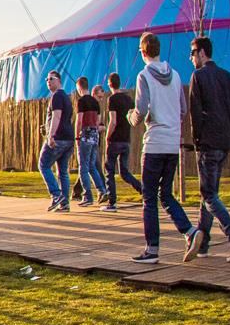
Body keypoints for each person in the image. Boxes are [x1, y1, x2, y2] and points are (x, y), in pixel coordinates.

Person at [129, 34, 196, 264]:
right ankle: (189, 231)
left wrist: (133, 118)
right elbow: (183, 109)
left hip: (155, 141)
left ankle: (152, 248)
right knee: (165, 193)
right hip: (172, 143)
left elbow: (141, 108)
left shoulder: (144, 75)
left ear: (144, 51)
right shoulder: (176, 75)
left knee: (149, 197)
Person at [182, 36, 230, 263]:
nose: (190, 58)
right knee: (209, 193)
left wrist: (197, 140)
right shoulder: (228, 77)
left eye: (192, 53)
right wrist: (227, 132)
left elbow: (195, 113)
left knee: (208, 194)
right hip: (223, 141)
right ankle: (203, 242)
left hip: (207, 142)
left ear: (201, 53)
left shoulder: (198, 77)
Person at [103, 71, 143, 210]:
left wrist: (108, 136)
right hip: (126, 139)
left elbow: (113, 121)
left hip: (115, 139)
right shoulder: (128, 100)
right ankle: (142, 189)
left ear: (109, 84)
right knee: (124, 172)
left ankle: (111, 201)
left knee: (109, 170)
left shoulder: (112, 99)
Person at [38, 71, 74, 212]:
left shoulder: (57, 96)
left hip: (58, 138)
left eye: (51, 79)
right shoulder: (65, 97)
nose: (48, 81)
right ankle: (64, 203)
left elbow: (57, 116)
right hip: (68, 139)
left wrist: (51, 135)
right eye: (46, 79)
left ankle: (56, 194)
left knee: (43, 165)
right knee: (62, 171)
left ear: (58, 80)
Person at [72, 76, 106, 207]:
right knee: (92, 166)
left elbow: (79, 120)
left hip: (85, 134)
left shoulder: (81, 101)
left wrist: (77, 136)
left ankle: (87, 196)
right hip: (95, 135)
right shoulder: (95, 102)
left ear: (79, 87)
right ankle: (102, 190)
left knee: (83, 167)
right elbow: (97, 121)